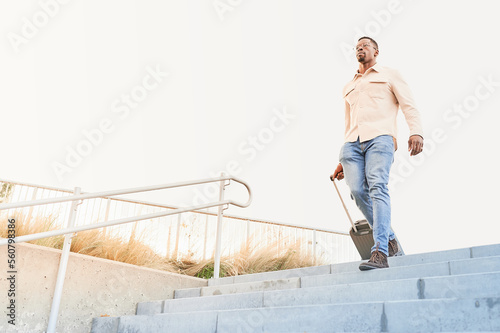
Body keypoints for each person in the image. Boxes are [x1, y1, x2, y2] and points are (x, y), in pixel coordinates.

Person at [331, 36, 424, 270]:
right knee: (356, 191)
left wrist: (416, 132)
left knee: (377, 187)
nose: (360, 48)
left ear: (376, 51)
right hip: (352, 144)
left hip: (380, 138)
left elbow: (408, 105)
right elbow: (348, 121)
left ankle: (380, 251)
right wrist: (342, 160)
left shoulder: (389, 75)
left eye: (365, 45)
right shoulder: (348, 85)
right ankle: (390, 238)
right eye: (356, 47)